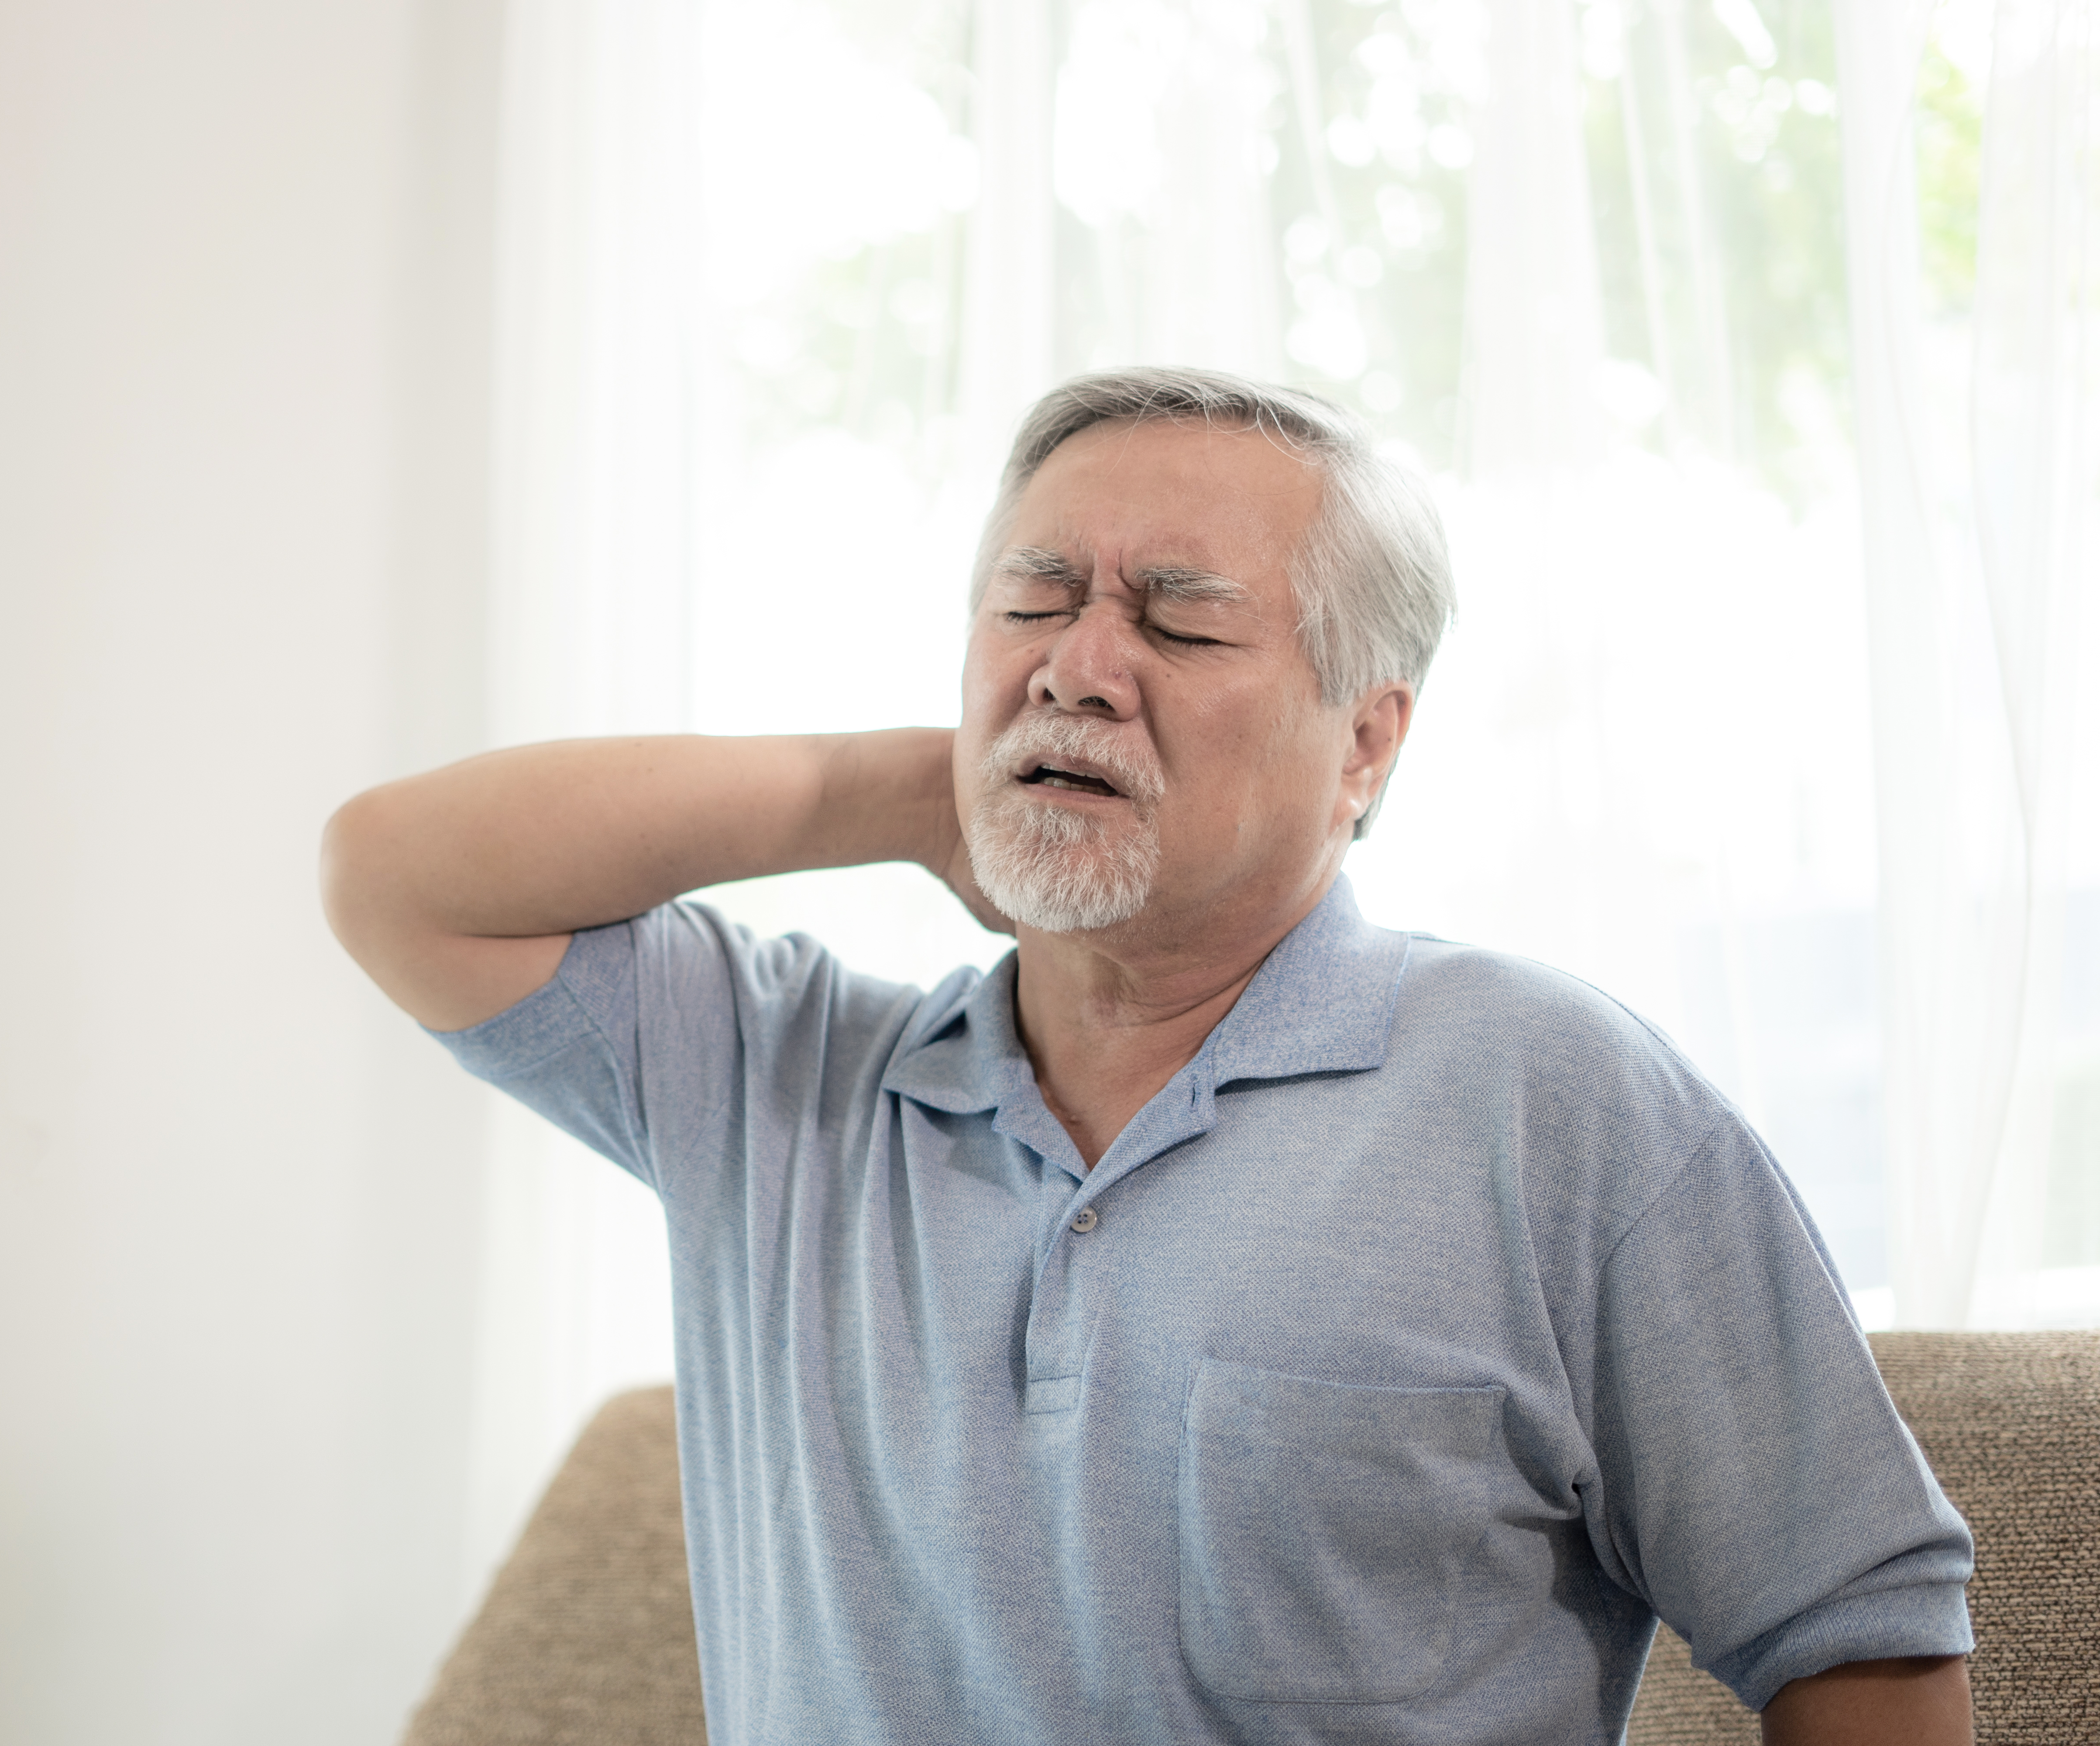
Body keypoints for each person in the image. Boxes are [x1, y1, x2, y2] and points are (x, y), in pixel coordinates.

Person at [322, 368, 1975, 1745]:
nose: (1081, 663)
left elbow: (1865, 1637)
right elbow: (399, 874)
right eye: (1035, 602)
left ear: (1369, 740)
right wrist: (903, 791)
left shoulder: (1555, 1097)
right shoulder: (785, 1085)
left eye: (1179, 626)